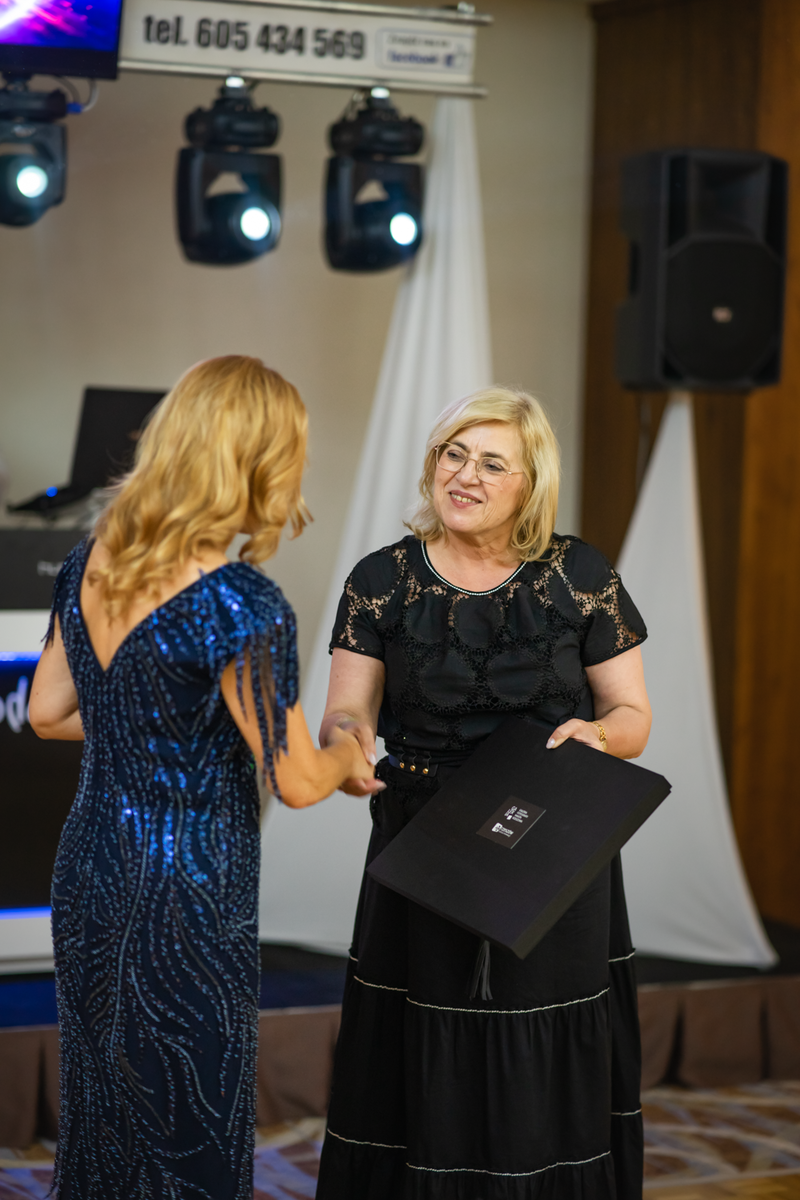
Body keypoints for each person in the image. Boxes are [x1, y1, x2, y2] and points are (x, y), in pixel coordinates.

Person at [28, 356, 381, 1200]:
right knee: (187, 1116)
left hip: (90, 869)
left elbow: (46, 712)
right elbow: (296, 780)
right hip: (186, 893)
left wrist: (154, 730)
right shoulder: (242, 604)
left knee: (104, 1110)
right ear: (261, 462)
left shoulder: (90, 561)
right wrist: (348, 749)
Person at [315, 386, 652, 1200]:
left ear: (531, 483)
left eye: (492, 463)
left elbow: (633, 716)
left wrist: (598, 736)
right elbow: (347, 712)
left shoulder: (580, 574)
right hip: (423, 841)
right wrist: (345, 748)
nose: (463, 475)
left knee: (541, 1049)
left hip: (549, 840)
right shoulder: (380, 579)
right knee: (421, 1050)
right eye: (452, 454)